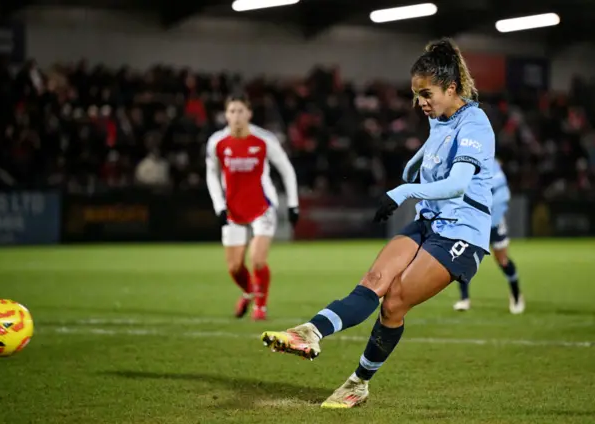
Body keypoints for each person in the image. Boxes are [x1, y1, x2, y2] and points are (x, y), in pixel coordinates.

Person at [260, 38, 495, 408]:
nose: (420, 103)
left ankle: (358, 383)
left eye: (426, 93)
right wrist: (417, 163)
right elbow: (434, 147)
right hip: (430, 223)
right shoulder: (439, 117)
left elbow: (459, 183)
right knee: (374, 281)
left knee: (394, 302)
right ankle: (309, 332)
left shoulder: (475, 122)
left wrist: (404, 189)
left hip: (462, 233)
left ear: (452, 88)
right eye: (416, 95)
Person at [206, 94, 299, 321]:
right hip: (233, 209)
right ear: (226, 115)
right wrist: (219, 206)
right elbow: (212, 175)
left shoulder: (264, 139)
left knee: (257, 260)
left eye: (240, 111)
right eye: (232, 111)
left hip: (262, 205)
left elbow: (286, 169)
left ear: (249, 114)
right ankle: (248, 292)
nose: (236, 116)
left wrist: (293, 204)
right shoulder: (217, 142)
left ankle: (260, 306)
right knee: (235, 267)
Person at [453, 158, 524, 313]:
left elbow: (502, 193)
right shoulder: (464, 163)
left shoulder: (492, 165)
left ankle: (516, 294)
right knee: (462, 259)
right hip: (472, 220)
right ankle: (464, 298)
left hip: (493, 219)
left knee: (502, 260)